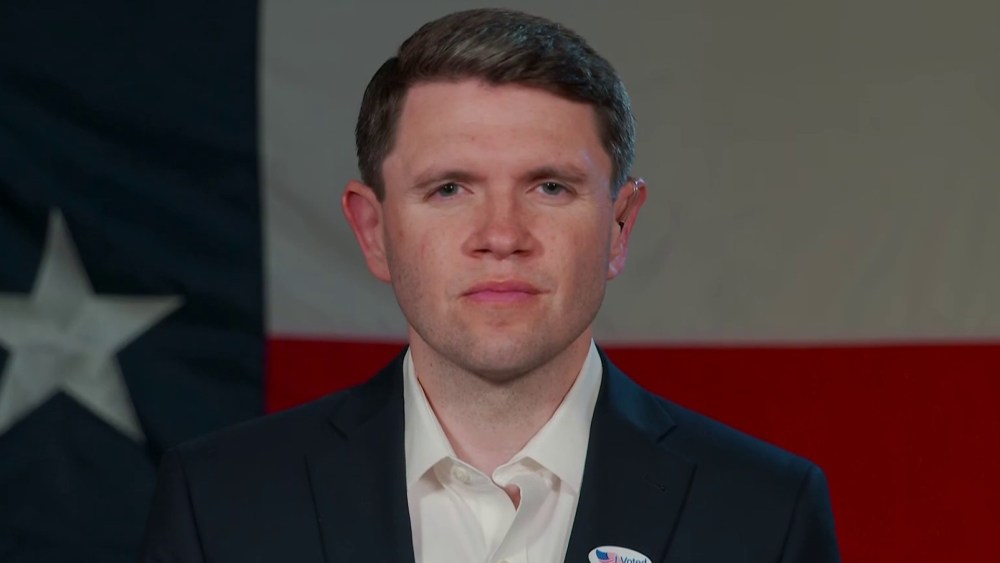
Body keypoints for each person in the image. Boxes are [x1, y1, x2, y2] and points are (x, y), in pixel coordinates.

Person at [140, 8, 840, 563]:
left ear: (620, 227)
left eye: (549, 186)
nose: (501, 234)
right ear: (374, 230)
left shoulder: (764, 513)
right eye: (449, 188)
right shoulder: (220, 503)